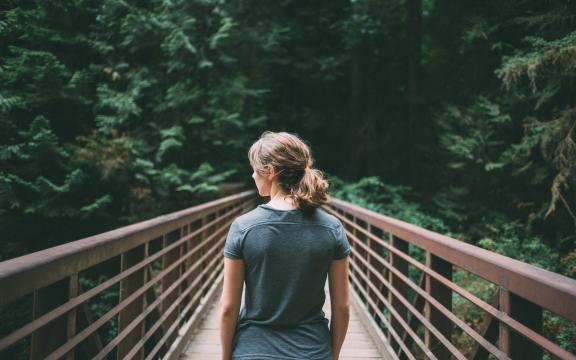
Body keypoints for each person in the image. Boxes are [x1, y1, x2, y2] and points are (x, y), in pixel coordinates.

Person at [219, 131, 351, 360]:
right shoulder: (332, 228)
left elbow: (228, 308)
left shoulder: (243, 227)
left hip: (253, 352)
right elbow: (342, 308)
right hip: (313, 351)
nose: (252, 175)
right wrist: (332, 355)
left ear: (270, 172)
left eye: (254, 169)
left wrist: (224, 357)